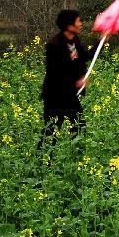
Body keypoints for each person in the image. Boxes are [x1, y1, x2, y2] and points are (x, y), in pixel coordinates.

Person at [40, 9, 92, 149]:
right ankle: (42, 162)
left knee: (79, 127)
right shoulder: (54, 45)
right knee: (51, 132)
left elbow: (85, 56)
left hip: (69, 96)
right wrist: (77, 82)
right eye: (79, 21)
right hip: (55, 97)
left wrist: (102, 41)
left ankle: (78, 162)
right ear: (70, 26)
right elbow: (54, 74)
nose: (81, 24)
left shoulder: (74, 40)